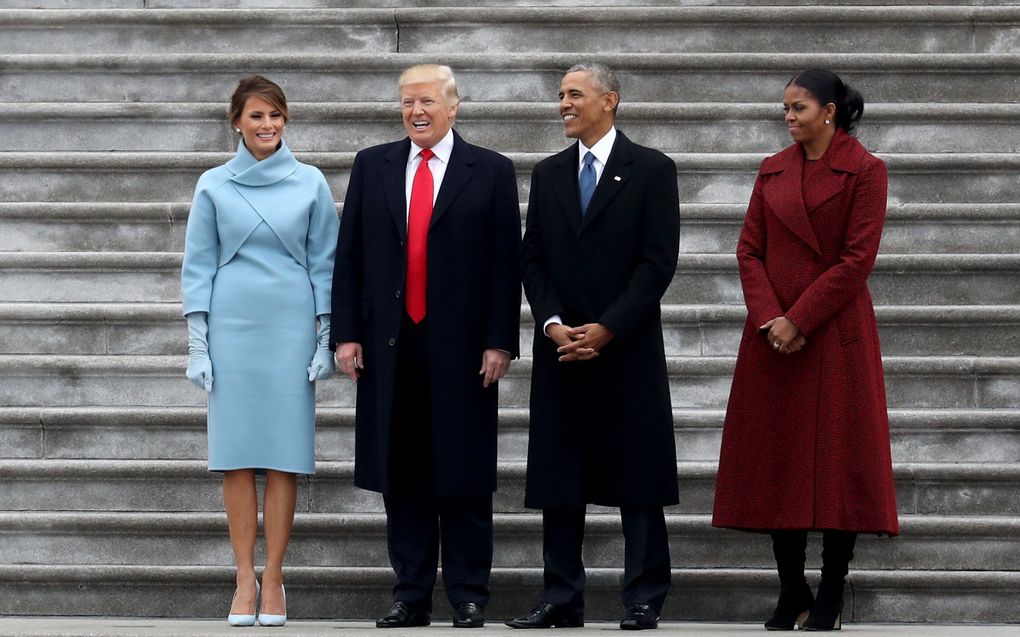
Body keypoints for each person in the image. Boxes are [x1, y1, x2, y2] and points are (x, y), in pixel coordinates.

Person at [330, 64, 521, 629]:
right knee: (403, 471)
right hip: (391, 345)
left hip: (462, 349)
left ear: (453, 106)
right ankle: (410, 593)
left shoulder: (490, 171)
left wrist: (498, 341)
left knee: (463, 473)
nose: (416, 111)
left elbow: (504, 266)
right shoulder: (373, 165)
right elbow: (350, 257)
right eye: (407, 102)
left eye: (427, 102)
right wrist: (346, 333)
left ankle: (467, 594)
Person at [712, 68, 899, 631]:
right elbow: (749, 251)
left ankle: (832, 592)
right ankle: (792, 588)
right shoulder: (772, 170)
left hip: (833, 334)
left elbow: (856, 260)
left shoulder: (866, 171)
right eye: (785, 109)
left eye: (798, 108)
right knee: (777, 461)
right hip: (772, 336)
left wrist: (800, 318)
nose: (788, 117)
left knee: (839, 464)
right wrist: (772, 317)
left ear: (829, 112)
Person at [508, 62, 680, 631]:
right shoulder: (550, 172)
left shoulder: (652, 170)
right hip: (562, 350)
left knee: (637, 474)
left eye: (574, 94)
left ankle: (644, 596)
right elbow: (532, 259)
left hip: (625, 349)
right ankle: (561, 597)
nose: (563, 103)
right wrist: (554, 323)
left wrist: (607, 328)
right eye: (559, 95)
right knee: (561, 477)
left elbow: (657, 264)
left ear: (610, 100)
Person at [181, 75, 338, 627]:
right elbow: (198, 266)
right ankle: (243, 579)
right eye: (256, 116)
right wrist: (198, 345)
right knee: (237, 456)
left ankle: (274, 577)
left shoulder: (311, 182)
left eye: (276, 116)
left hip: (290, 328)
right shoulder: (213, 185)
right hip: (233, 328)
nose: (267, 125)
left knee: (283, 455)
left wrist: (324, 338)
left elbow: (326, 264)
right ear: (236, 122)